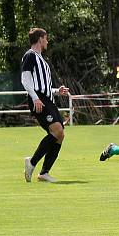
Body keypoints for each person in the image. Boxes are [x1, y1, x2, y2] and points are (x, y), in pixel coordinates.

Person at [22, 28, 70, 183]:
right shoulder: (30, 56)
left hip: (48, 99)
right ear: (40, 39)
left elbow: (43, 85)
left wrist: (57, 91)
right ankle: (32, 162)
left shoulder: (41, 59)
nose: (47, 41)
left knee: (60, 134)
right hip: (39, 100)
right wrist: (35, 98)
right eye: (46, 38)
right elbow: (26, 80)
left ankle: (44, 173)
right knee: (57, 130)